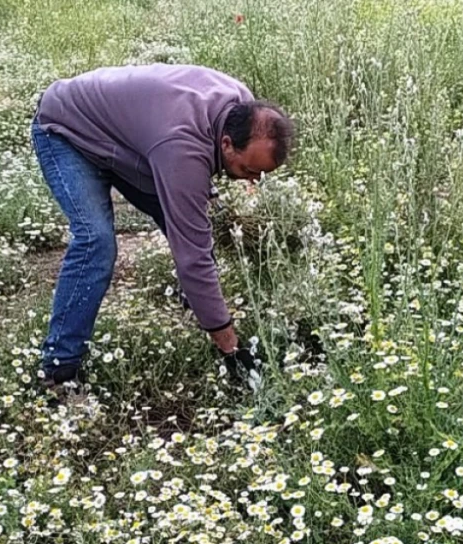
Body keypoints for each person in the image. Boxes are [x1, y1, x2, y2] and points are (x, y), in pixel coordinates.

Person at [30, 63, 294, 392]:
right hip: (66, 129)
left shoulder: (242, 108)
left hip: (126, 142)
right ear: (226, 144)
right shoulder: (182, 148)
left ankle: (196, 306)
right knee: (95, 241)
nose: (255, 180)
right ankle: (58, 370)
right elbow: (193, 257)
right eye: (250, 170)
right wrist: (231, 346)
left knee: (191, 221)